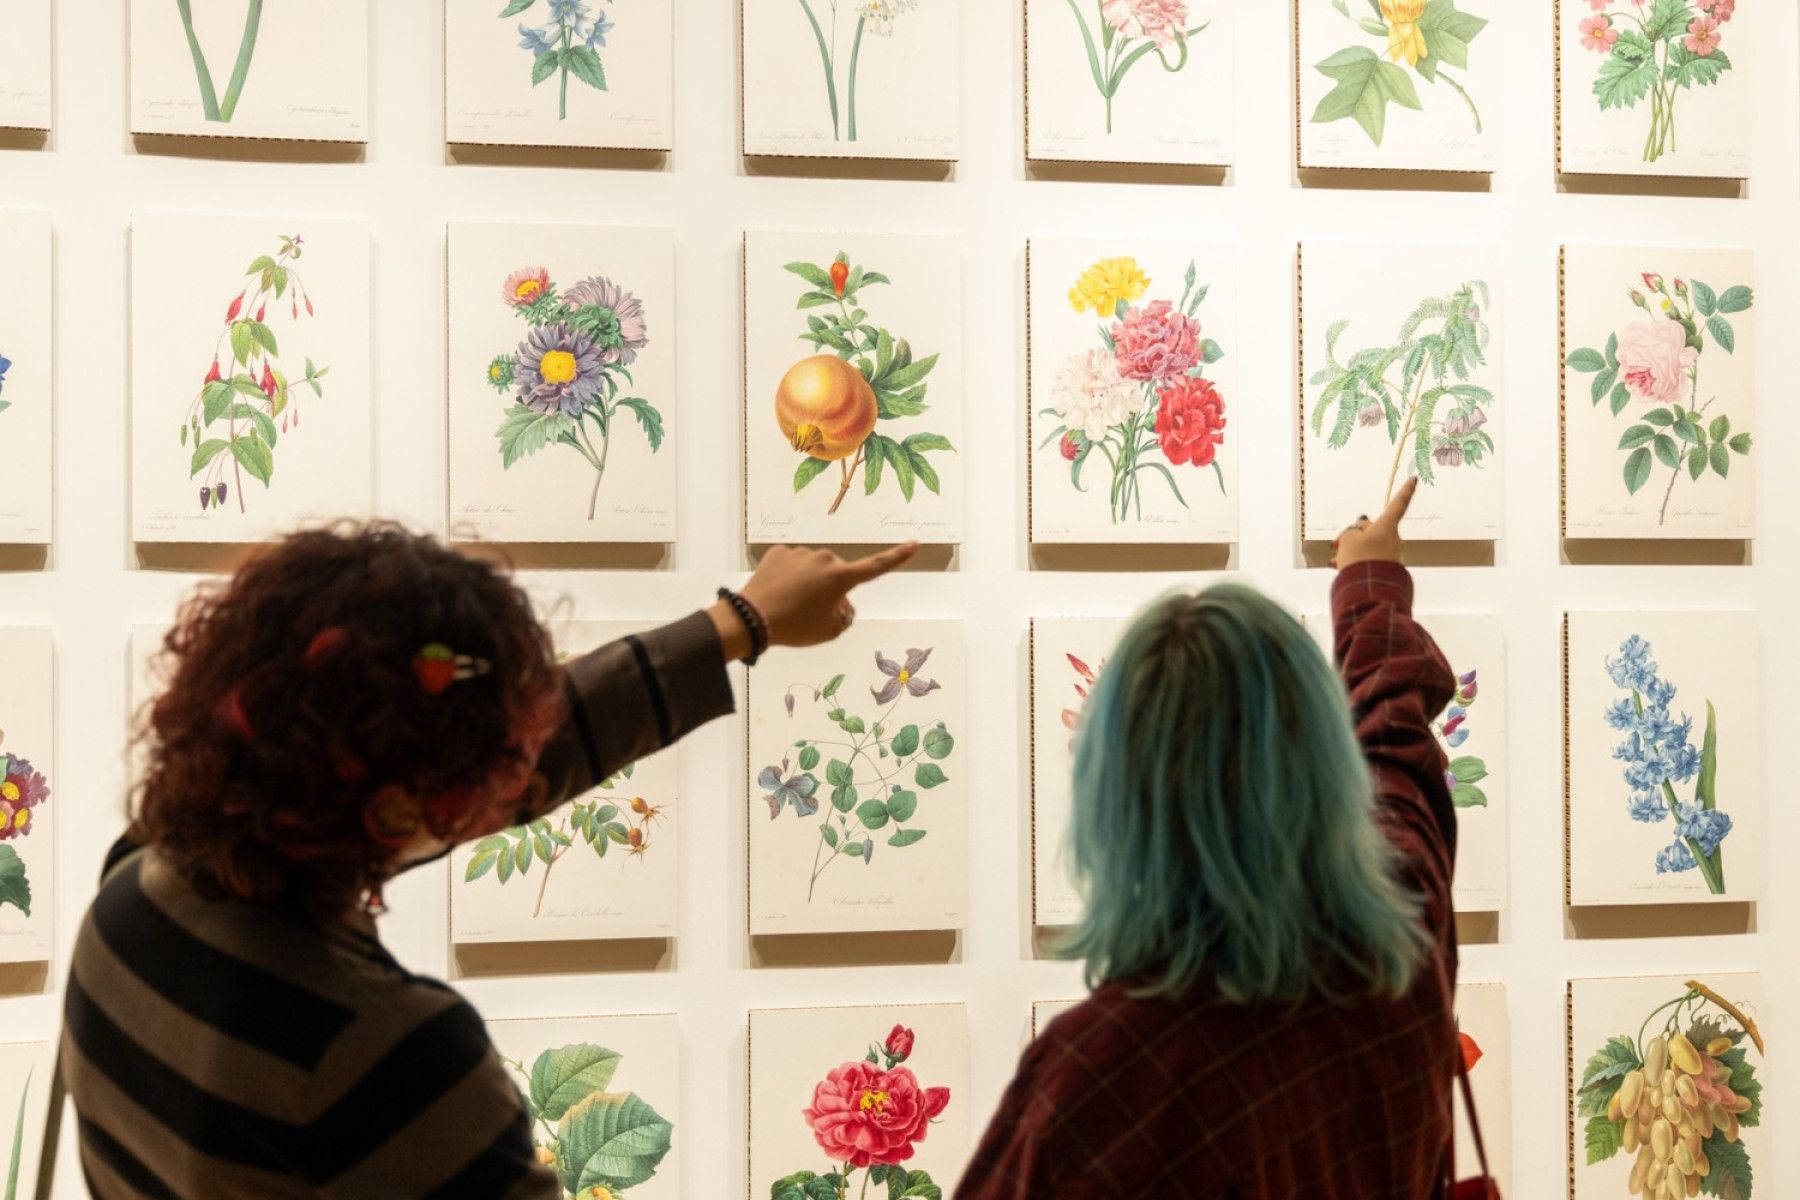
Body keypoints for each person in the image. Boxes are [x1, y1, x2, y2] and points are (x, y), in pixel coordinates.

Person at [60, 523, 917, 1199]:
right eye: (489, 766)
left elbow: (502, 744)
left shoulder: (135, 892)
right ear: (401, 809)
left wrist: (739, 624)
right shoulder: (385, 1051)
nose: (508, 782)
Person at [958, 478, 1463, 1199]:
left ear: (1118, 801)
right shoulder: (1400, 935)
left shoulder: (1104, 1079)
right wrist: (1370, 582)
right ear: (1325, 763)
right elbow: (1393, 740)